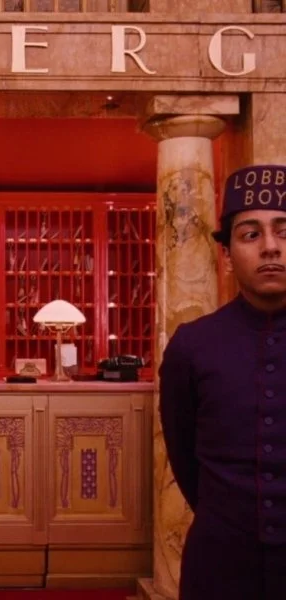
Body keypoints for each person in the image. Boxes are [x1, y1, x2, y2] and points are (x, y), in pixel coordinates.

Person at [159, 164, 286, 599]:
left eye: (283, 231)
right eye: (250, 234)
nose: (270, 247)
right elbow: (184, 456)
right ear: (227, 257)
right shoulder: (192, 345)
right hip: (220, 565)